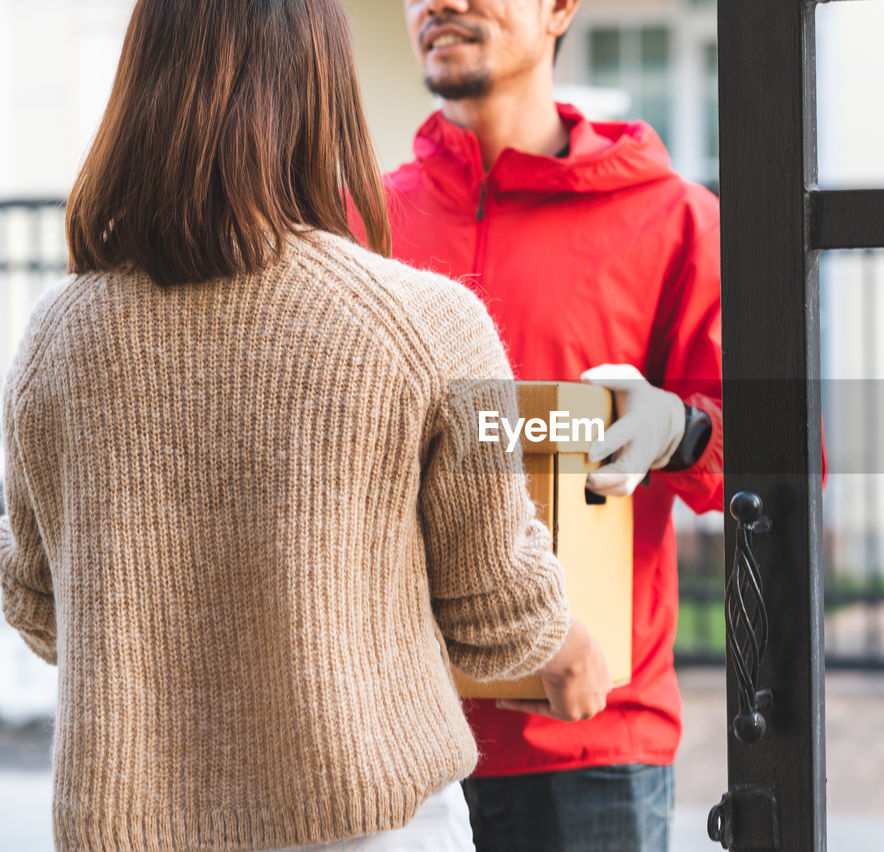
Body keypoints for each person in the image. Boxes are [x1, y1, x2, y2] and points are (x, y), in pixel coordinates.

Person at [0, 1, 611, 849]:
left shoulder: (55, 341)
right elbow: (502, 621)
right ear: (323, 89)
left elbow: (40, 615)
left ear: (138, 87)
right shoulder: (428, 325)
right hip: (368, 827)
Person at [358, 1, 726, 849]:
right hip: (387, 739)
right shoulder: (359, 226)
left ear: (561, 7)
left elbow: (784, 459)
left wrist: (681, 428)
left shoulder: (672, 220)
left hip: (587, 742)